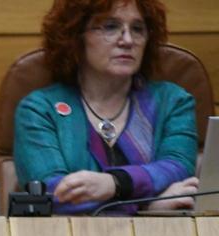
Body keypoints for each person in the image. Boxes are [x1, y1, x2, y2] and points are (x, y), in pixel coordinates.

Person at [13, 0, 199, 214]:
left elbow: (178, 168)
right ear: (76, 35)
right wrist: (146, 207)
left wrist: (113, 184)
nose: (128, 40)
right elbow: (52, 194)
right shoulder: (40, 110)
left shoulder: (173, 101)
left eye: (138, 29)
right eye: (110, 27)